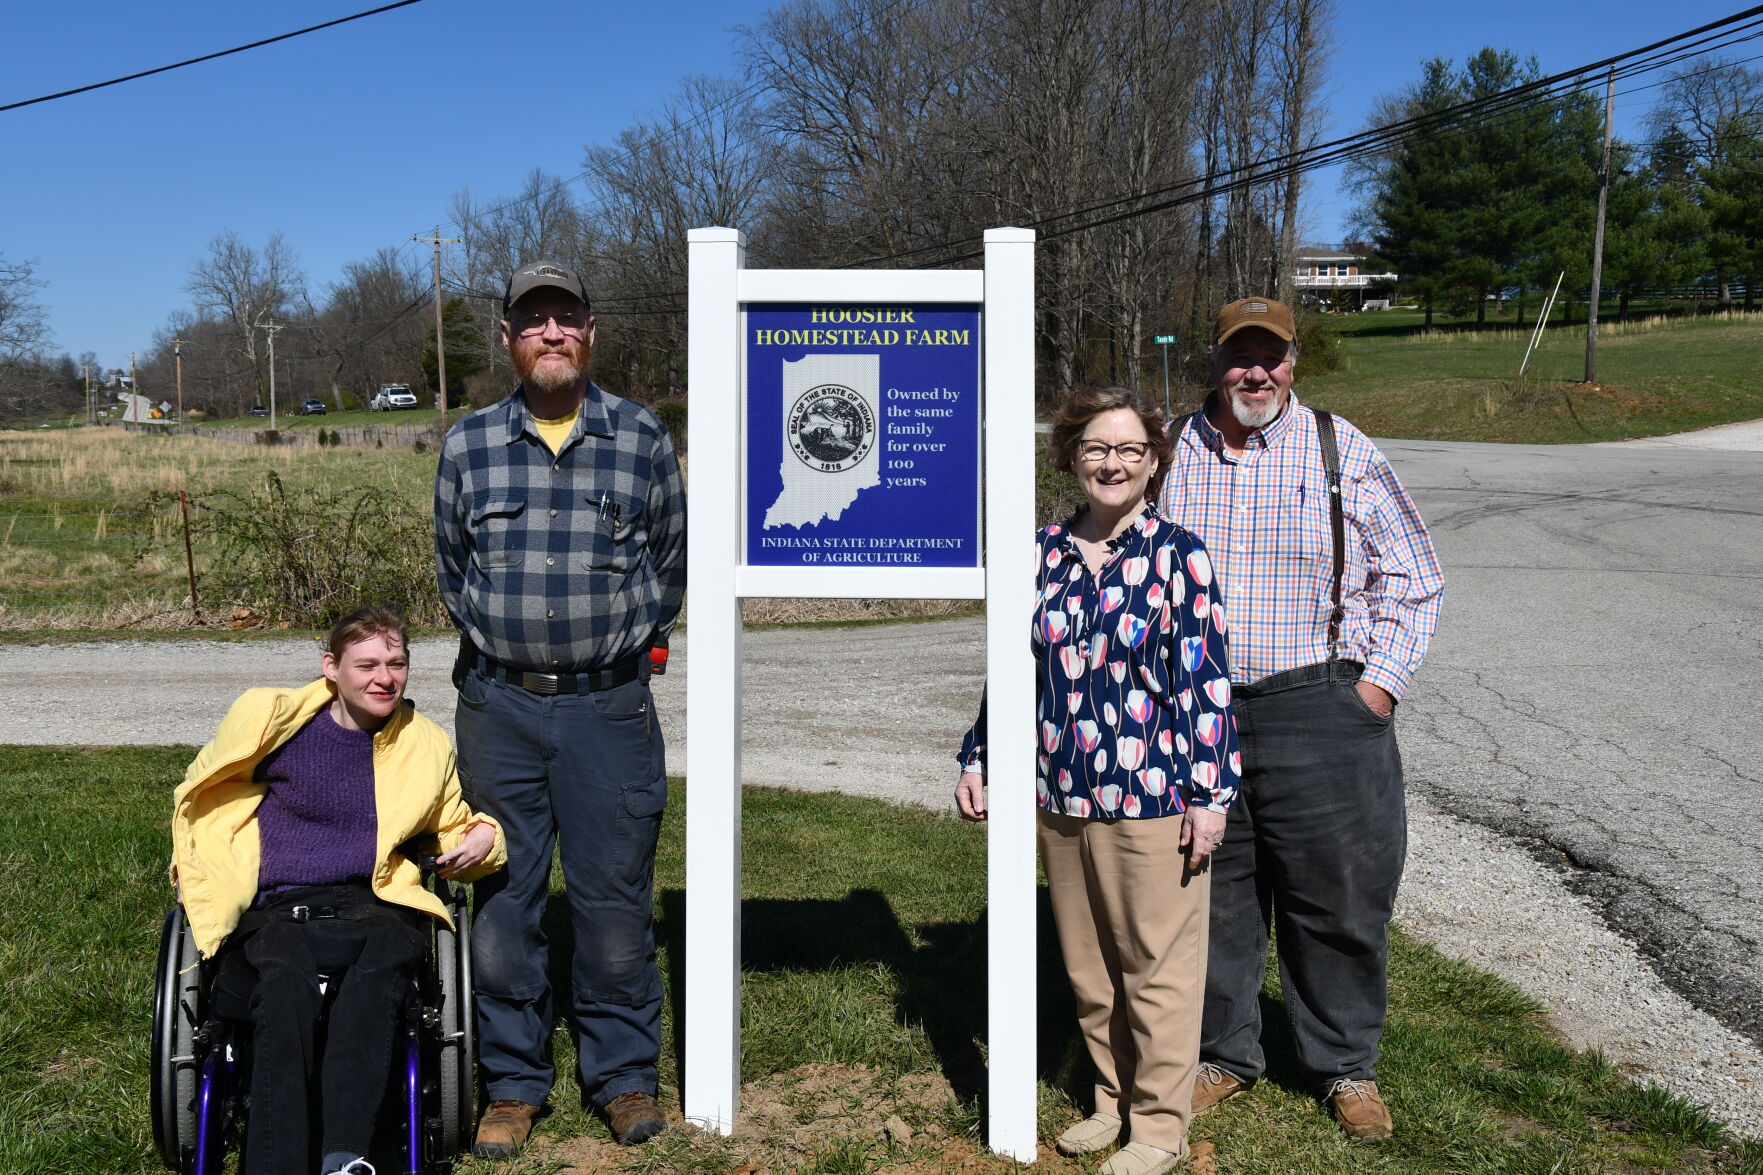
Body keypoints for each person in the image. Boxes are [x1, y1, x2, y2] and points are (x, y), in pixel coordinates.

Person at [1158, 297, 1444, 1142]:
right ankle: (1223, 1053)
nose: (1255, 372)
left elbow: (1415, 576)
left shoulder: (1338, 447)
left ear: (1293, 362)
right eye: (1239, 355)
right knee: (1208, 891)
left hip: (1319, 702)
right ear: (1212, 362)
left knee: (1338, 898)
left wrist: (1375, 688)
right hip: (1196, 710)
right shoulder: (1169, 449)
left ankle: (1344, 1065)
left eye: (1270, 356)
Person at [434, 259, 686, 1155]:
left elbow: (668, 570)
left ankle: (621, 1075)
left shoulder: (641, 437)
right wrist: (515, 651)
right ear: (507, 337)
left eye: (565, 317)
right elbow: (452, 572)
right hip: (497, 708)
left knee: (614, 902)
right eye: (532, 319)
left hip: (607, 710)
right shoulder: (468, 445)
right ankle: (512, 1080)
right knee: (501, 897)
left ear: (590, 329)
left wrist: (602, 652)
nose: (550, 333)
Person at [955, 386, 1240, 1175]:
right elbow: (1014, 671)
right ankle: (1109, 1100)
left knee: (1156, 970)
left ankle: (1157, 1128)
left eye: (1128, 450)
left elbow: (1204, 677)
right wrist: (981, 755)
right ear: (1071, 457)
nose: (1111, 463)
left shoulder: (1179, 554)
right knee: (1089, 970)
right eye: (1094, 448)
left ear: (1153, 463)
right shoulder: (1039, 550)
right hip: (1060, 796)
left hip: (1152, 796)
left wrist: (1209, 794)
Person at [170, 605, 505, 1175]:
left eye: (396, 663)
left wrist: (483, 838)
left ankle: (345, 1158)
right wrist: (198, 867)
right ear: (331, 667)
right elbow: (202, 795)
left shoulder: (423, 742)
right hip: (278, 906)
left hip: (377, 905)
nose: (384, 677)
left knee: (377, 981)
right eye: (367, 664)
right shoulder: (271, 721)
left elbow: (455, 822)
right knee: (285, 985)